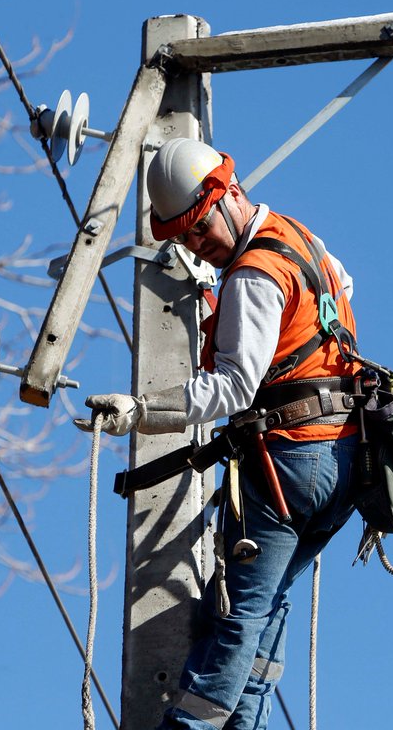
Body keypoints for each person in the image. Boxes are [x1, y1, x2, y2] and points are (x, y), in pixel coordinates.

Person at [77, 138, 364, 730]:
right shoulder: (298, 239)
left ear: (229, 194)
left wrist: (138, 411)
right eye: (181, 237)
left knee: (237, 616)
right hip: (343, 458)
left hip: (292, 462)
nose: (194, 243)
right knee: (263, 611)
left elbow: (233, 386)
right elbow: (343, 286)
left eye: (198, 228)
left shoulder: (253, 276)